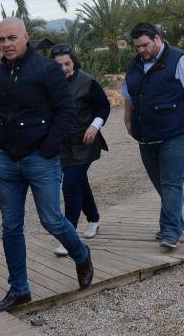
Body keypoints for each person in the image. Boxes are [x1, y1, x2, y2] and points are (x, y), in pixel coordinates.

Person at [0, 18, 93, 313]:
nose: (7, 44)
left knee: (51, 219)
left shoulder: (47, 70)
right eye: (1, 39)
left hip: (40, 158)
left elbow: (67, 112)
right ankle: (19, 289)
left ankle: (81, 253)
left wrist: (49, 149)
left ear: (26, 37)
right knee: (10, 226)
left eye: (12, 37)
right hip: (8, 161)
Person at [123, 23, 184, 249]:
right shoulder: (134, 66)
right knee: (161, 183)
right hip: (147, 136)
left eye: (145, 45)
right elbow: (128, 94)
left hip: (176, 134)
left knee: (171, 183)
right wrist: (128, 119)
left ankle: (171, 232)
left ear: (158, 38)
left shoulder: (180, 60)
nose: (141, 50)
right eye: (138, 46)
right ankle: (175, 223)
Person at [51, 44, 110, 257]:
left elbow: (104, 106)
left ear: (74, 61)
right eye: (59, 65)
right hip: (62, 146)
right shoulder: (50, 83)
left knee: (71, 183)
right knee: (79, 182)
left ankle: (69, 237)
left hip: (85, 142)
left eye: (68, 63)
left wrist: (95, 126)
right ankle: (94, 219)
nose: (65, 68)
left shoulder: (87, 82)